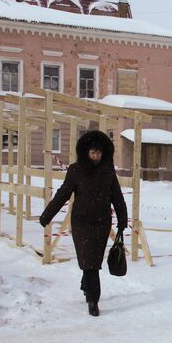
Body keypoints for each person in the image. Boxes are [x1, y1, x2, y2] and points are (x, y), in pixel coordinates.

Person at [39, 131, 128, 317]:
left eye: (99, 153)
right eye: (92, 152)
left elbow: (117, 197)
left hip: (102, 222)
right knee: (88, 261)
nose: (95, 156)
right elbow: (63, 193)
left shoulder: (108, 171)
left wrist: (122, 220)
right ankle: (93, 300)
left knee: (92, 262)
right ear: (86, 152)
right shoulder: (76, 170)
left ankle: (89, 292)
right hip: (81, 222)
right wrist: (47, 215)